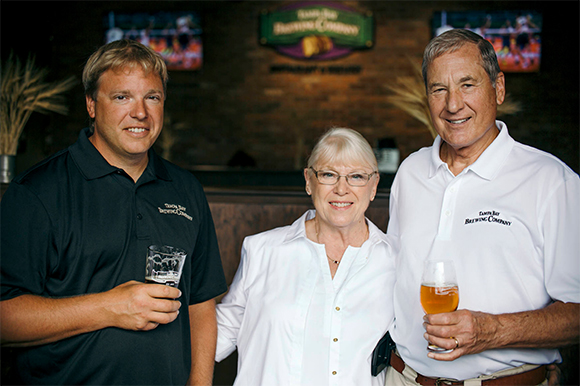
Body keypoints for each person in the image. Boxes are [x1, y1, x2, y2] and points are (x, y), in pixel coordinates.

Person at [0, 39, 228, 385]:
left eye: (152, 97)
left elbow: (200, 306)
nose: (140, 113)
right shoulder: (37, 192)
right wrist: (111, 307)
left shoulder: (185, 190)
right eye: (122, 97)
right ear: (91, 105)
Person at [385, 28, 579, 385]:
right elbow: (387, 277)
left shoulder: (552, 181)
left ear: (499, 89)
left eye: (467, 85)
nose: (453, 104)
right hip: (402, 378)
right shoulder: (411, 172)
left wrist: (491, 330)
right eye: (438, 89)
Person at [215, 128, 396, 385]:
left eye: (356, 176)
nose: (341, 189)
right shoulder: (263, 251)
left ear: (374, 185)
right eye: (328, 175)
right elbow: (218, 335)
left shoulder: (395, 261)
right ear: (309, 181)